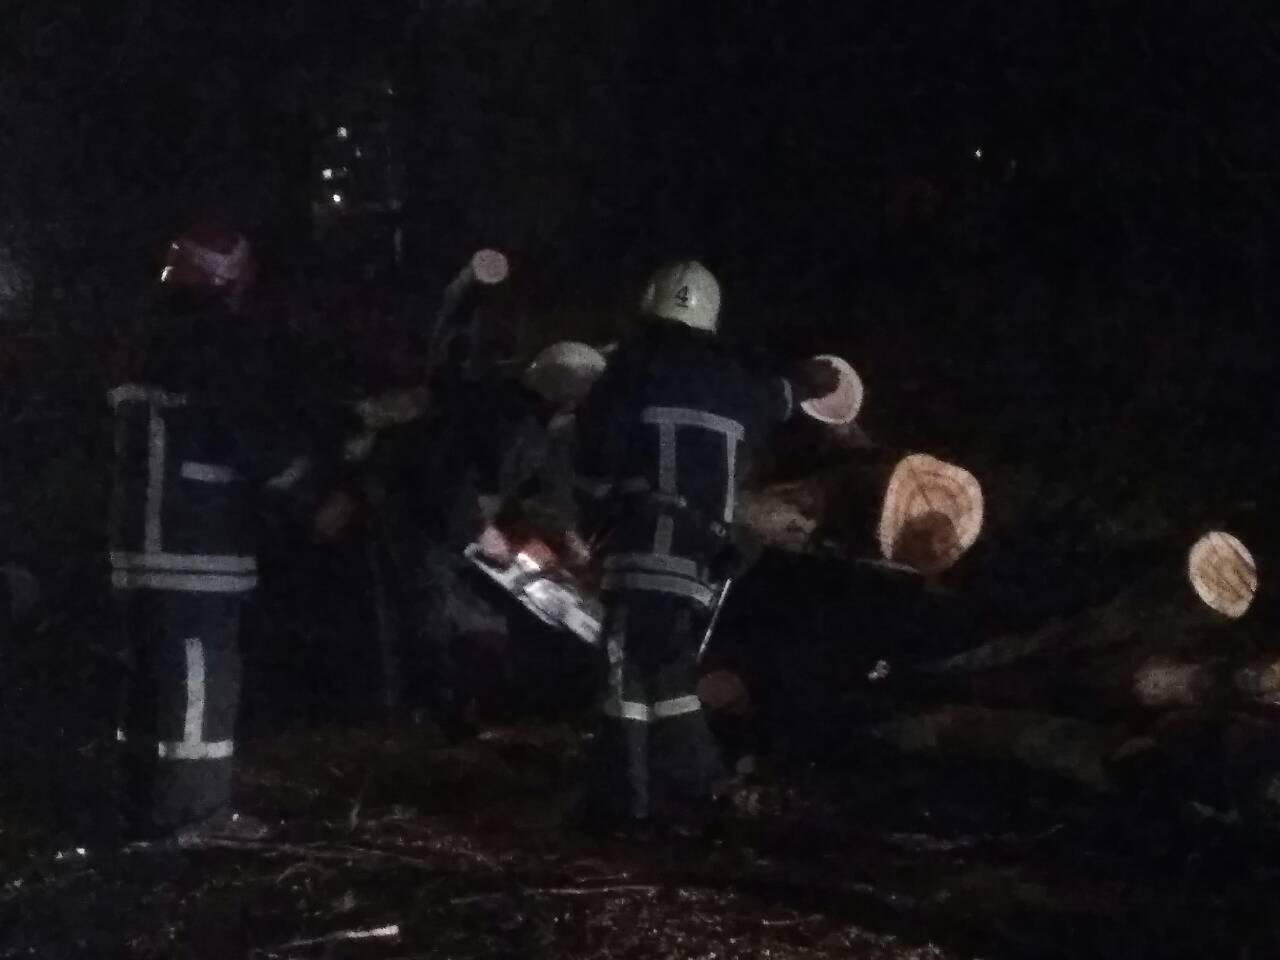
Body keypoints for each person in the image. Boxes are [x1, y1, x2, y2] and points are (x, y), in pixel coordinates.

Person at [572, 259, 837, 836]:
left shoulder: (631, 370)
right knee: (661, 673)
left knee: (628, 675)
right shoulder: (739, 381)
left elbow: (593, 461)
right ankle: (671, 796)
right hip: (704, 558)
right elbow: (786, 397)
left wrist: (590, 521)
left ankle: (641, 800)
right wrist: (816, 380)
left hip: (642, 544)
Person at [109, 221, 345, 846]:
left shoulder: (145, 337)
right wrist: (313, 494)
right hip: (197, 541)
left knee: (150, 679)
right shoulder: (214, 344)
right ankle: (195, 815)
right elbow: (249, 432)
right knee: (199, 677)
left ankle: (144, 804)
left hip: (141, 542)